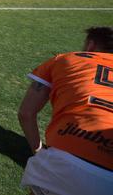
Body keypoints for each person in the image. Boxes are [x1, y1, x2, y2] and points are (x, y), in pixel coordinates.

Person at [18, 27, 113, 195]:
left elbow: (26, 114)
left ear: (90, 45)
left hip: (65, 163)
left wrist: (38, 150)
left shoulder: (63, 59)